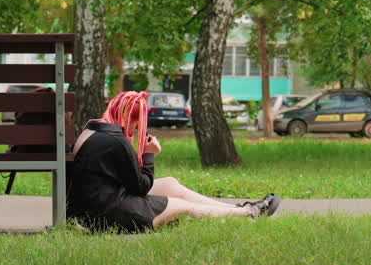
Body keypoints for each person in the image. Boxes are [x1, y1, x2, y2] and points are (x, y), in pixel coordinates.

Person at [67, 91, 279, 232]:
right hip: (107, 214)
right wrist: (149, 154)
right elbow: (140, 186)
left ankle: (235, 209)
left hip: (96, 204)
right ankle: (248, 213)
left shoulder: (94, 129)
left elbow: (124, 179)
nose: (137, 131)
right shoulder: (116, 140)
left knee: (170, 184)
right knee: (183, 206)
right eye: (137, 125)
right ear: (131, 119)